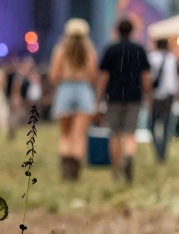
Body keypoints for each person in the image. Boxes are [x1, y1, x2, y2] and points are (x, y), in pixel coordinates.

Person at [96, 18, 151, 184]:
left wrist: (98, 97)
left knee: (115, 134)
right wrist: (148, 95)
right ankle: (128, 156)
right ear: (132, 31)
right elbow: (146, 76)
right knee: (130, 133)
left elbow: (103, 77)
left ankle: (116, 169)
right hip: (134, 97)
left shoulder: (110, 50)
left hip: (113, 98)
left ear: (117, 30)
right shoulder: (139, 50)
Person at [50, 19, 98, 181]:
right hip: (83, 90)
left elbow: (53, 76)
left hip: (65, 89)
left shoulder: (60, 51)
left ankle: (65, 172)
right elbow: (92, 76)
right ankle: (75, 174)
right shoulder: (89, 52)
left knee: (65, 134)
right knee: (79, 135)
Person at [147, 38, 179, 162]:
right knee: (166, 125)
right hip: (169, 95)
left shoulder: (151, 57)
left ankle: (158, 150)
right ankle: (163, 151)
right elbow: (177, 79)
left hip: (155, 95)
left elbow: (148, 77)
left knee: (152, 125)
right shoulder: (172, 58)